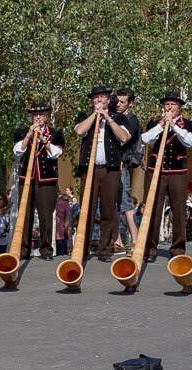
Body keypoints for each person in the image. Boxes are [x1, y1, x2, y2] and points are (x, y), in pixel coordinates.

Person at [73, 85, 130, 262]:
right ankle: (83, 248)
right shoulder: (84, 116)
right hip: (89, 170)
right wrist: (94, 116)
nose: (99, 100)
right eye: (96, 98)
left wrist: (107, 118)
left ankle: (105, 248)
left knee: (108, 209)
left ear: (108, 100)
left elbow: (124, 137)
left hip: (110, 169)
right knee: (87, 209)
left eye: (102, 98)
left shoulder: (118, 117)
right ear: (91, 102)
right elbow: (79, 131)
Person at [140, 91, 192, 261]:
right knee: (153, 209)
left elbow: (190, 142)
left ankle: (178, 249)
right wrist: (161, 125)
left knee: (178, 210)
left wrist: (174, 126)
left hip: (178, 171)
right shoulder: (154, 122)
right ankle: (150, 248)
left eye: (173, 104)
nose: (169, 107)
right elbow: (145, 139)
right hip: (156, 171)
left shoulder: (188, 123)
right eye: (167, 104)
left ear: (179, 108)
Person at [13, 102, 65, 260]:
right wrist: (29, 135)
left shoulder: (55, 133)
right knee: (24, 213)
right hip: (26, 178)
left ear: (46, 116)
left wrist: (42, 138)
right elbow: (17, 151)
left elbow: (56, 153)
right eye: (35, 115)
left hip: (47, 179)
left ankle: (46, 249)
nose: (37, 117)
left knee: (45, 215)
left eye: (41, 115)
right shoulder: (21, 132)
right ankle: (23, 250)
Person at [113, 88, 142, 250]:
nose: (118, 105)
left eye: (122, 102)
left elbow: (123, 140)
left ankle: (135, 237)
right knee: (111, 203)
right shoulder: (115, 115)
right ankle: (117, 240)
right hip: (111, 163)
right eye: (117, 101)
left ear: (130, 103)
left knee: (125, 201)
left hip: (122, 163)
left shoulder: (131, 119)